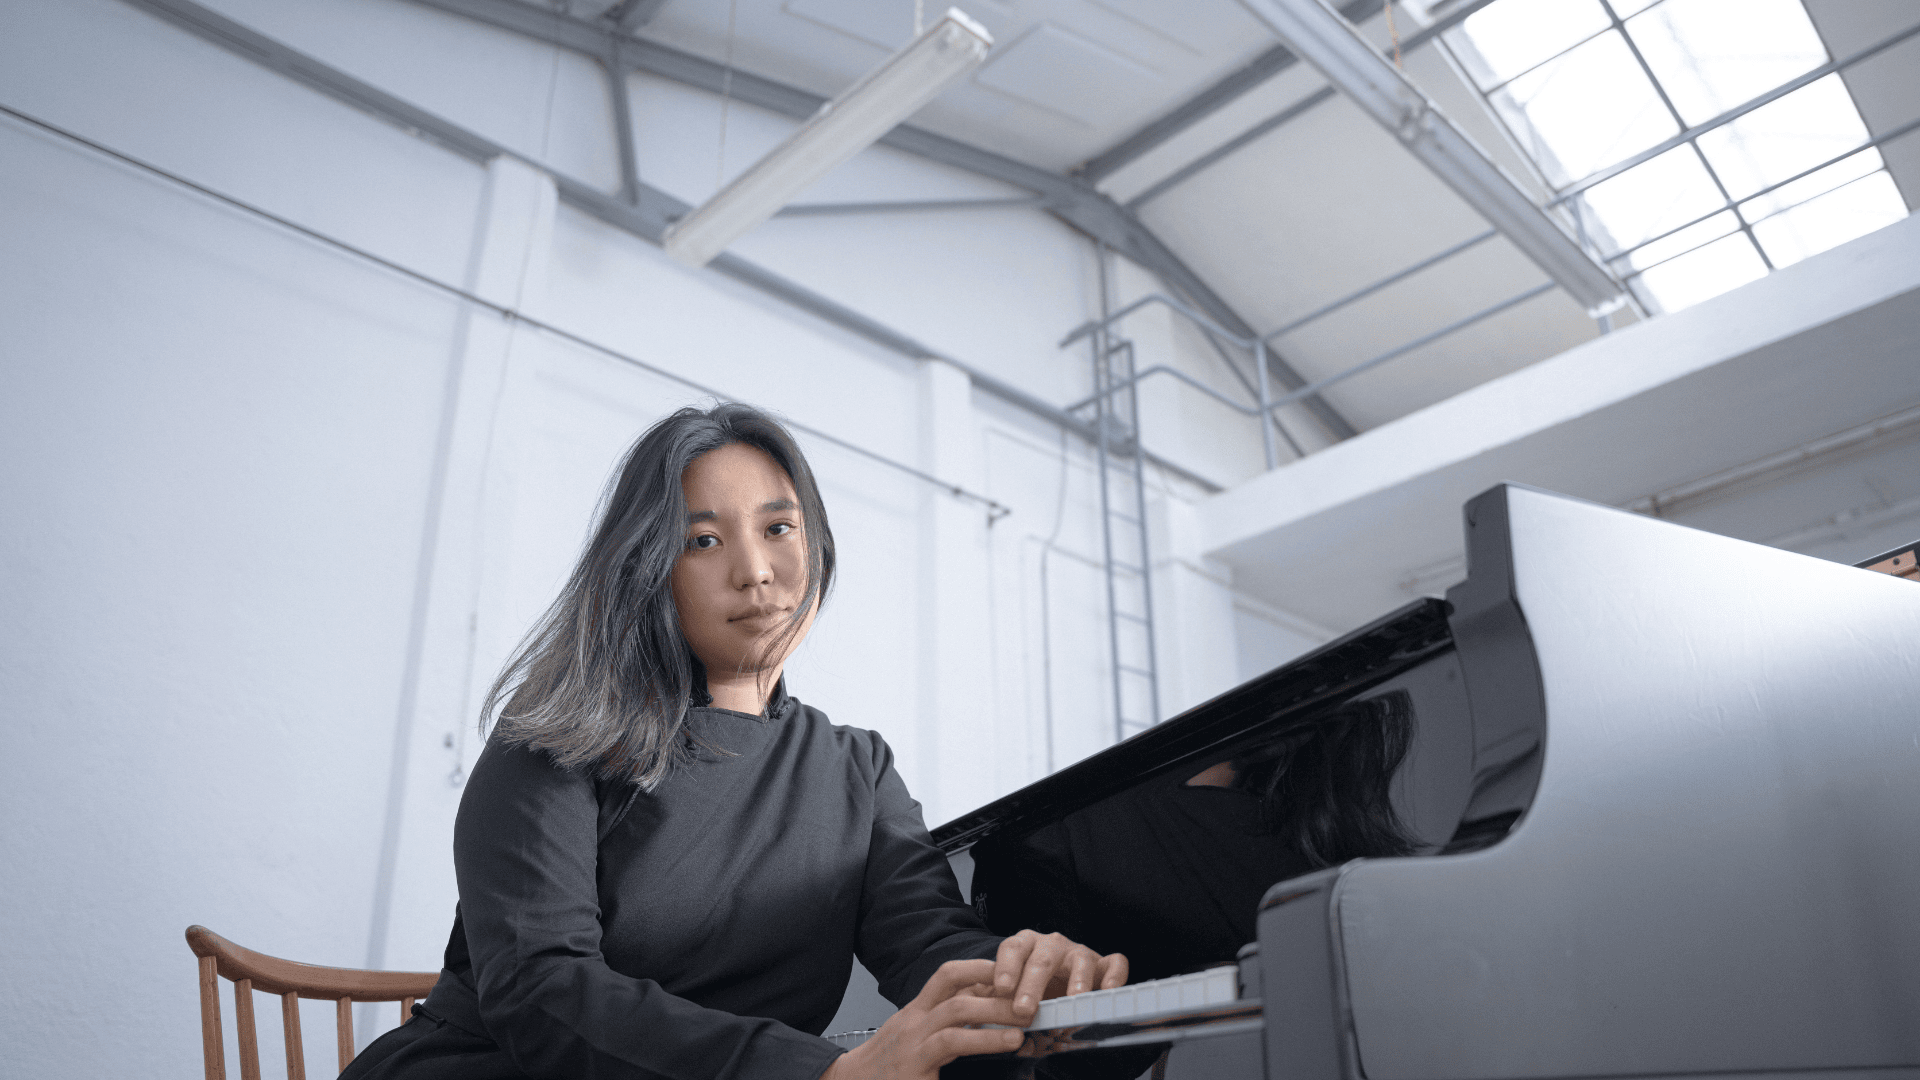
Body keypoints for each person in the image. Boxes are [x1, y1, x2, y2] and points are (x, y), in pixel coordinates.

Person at [342, 403, 1127, 1080]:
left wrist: (1025, 974)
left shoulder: (857, 767)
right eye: (704, 542)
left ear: (816, 544)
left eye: (779, 528)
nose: (756, 572)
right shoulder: (556, 733)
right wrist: (823, 1072)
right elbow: (540, 988)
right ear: (648, 566)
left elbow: (928, 940)